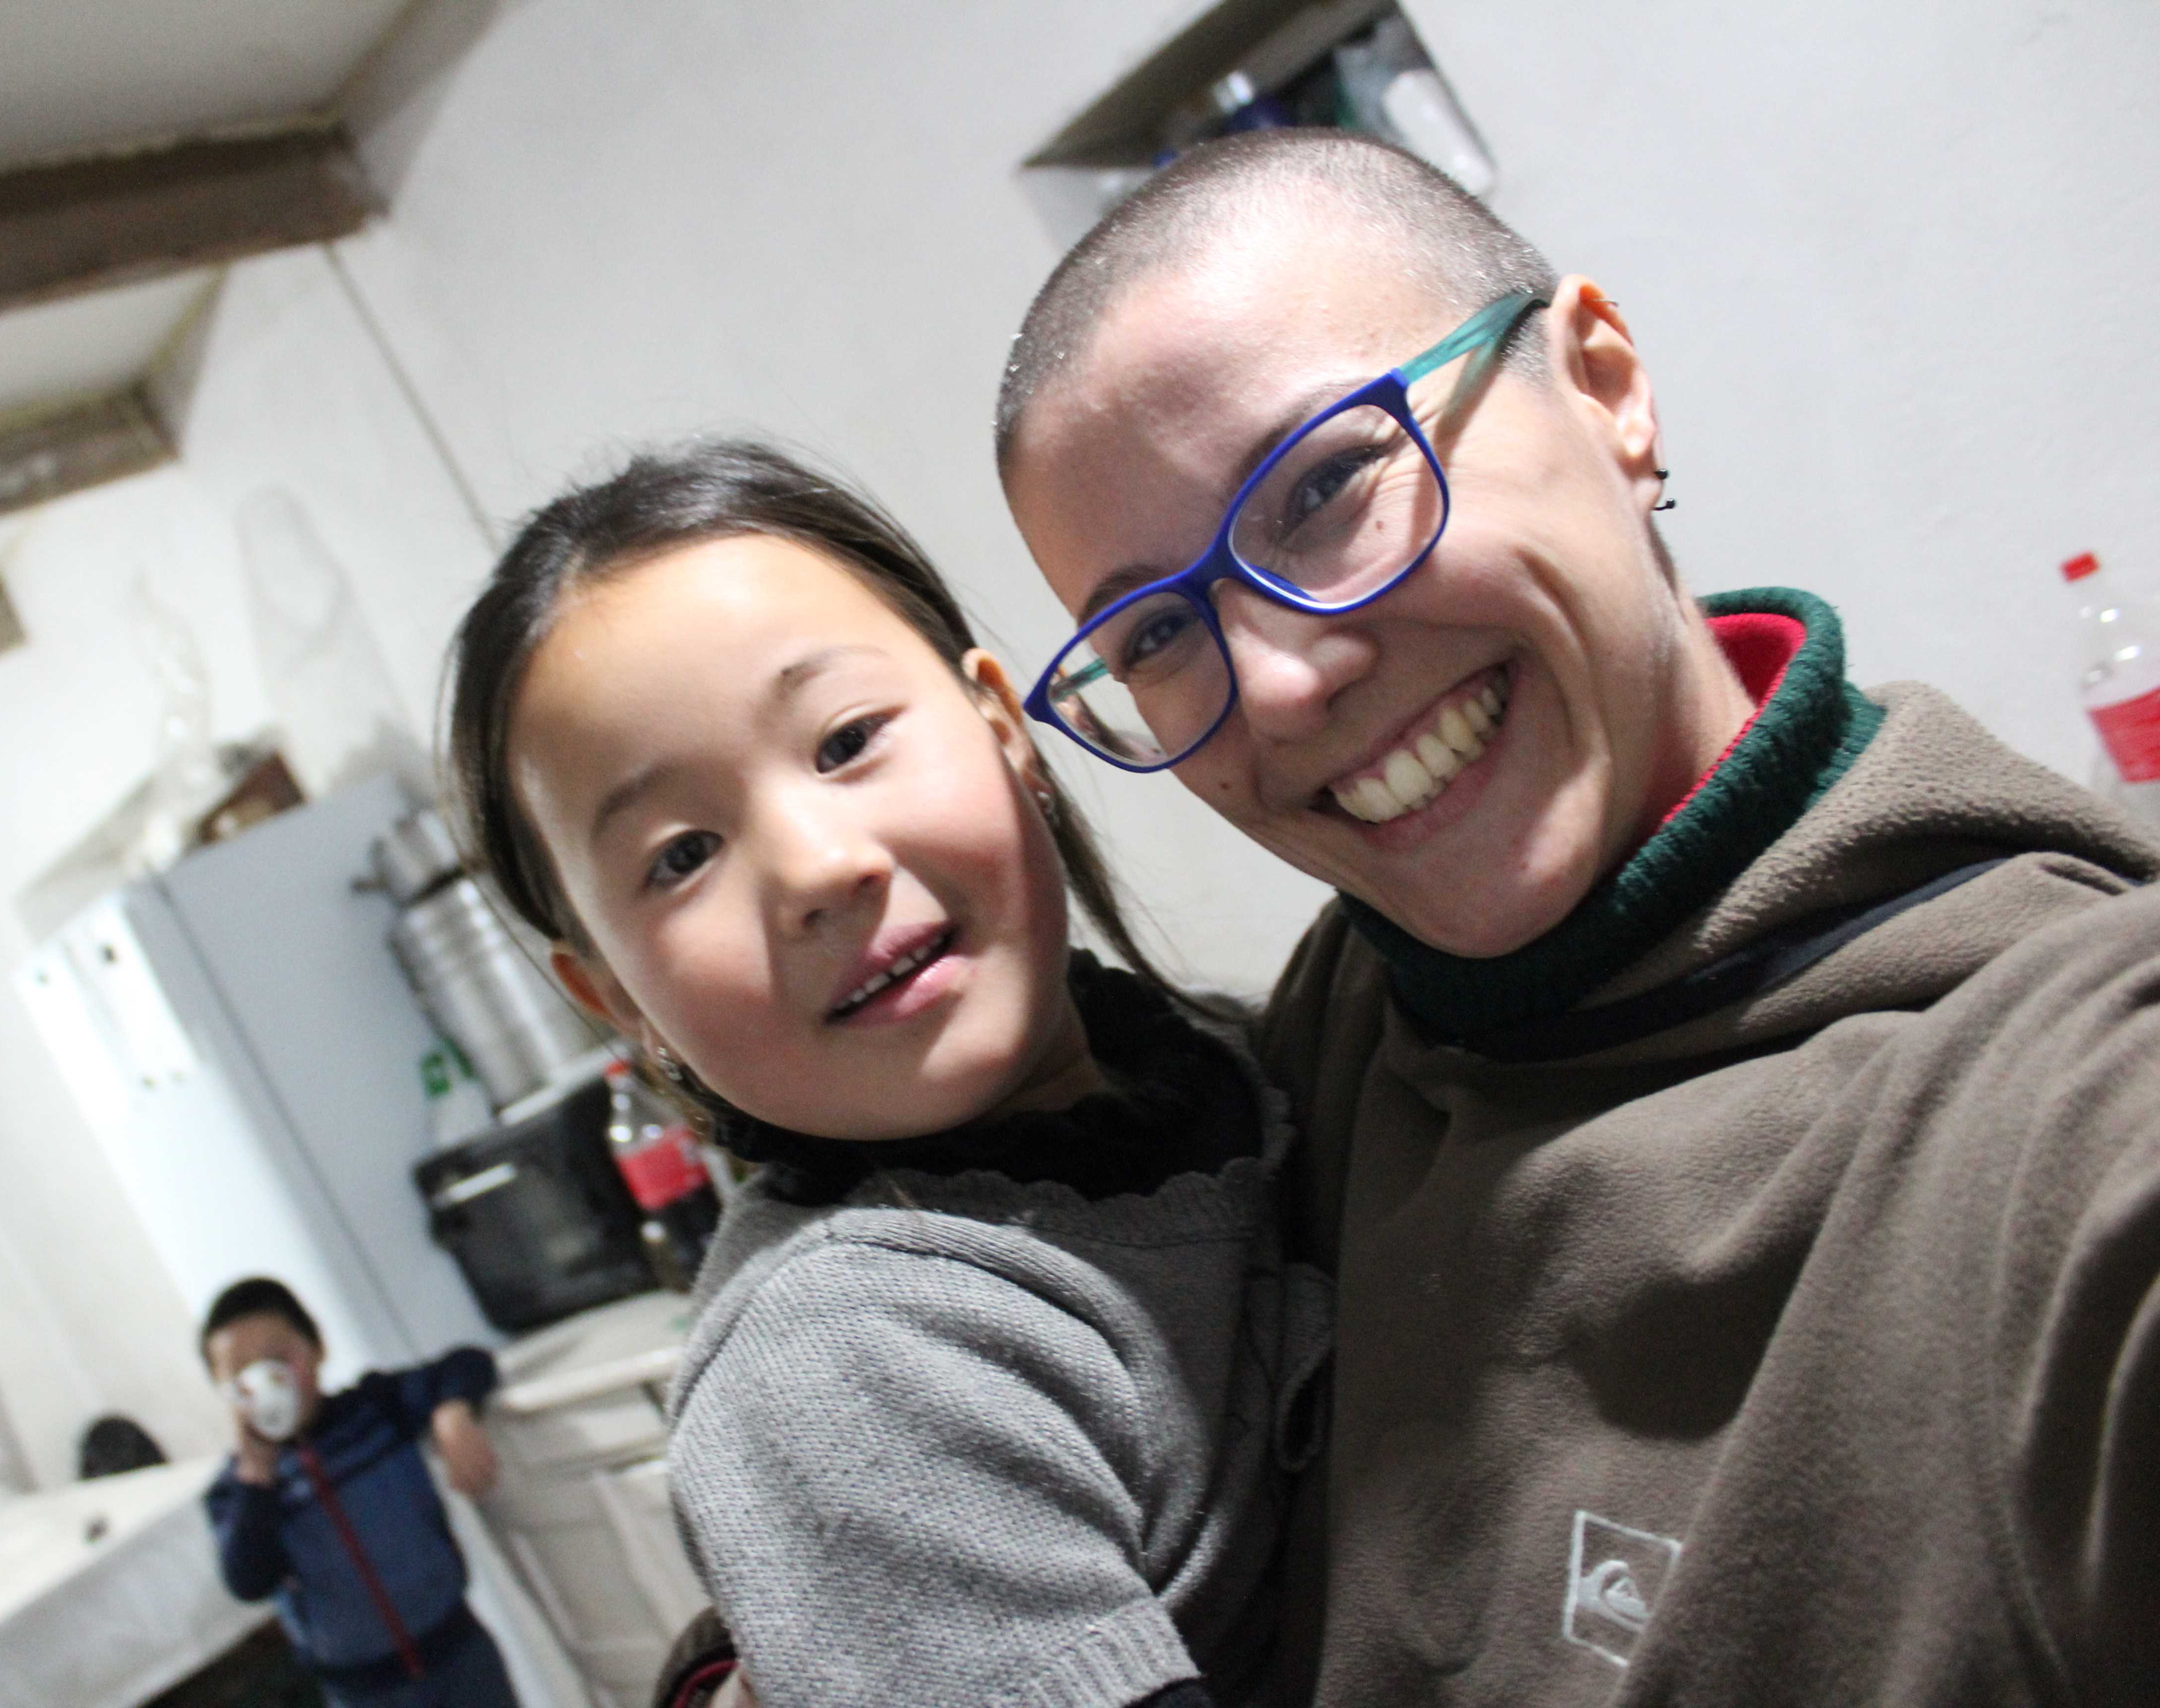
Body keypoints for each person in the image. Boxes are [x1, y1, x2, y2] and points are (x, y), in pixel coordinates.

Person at [991, 127, 2160, 1703]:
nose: (1279, 683)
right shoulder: (1337, 1046)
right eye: (1153, 637)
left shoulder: (2066, 1112)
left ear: (1606, 385)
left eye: (1326, 486)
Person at [444, 441, 1333, 1708]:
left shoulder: (1247, 1060)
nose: (818, 867)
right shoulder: (845, 1366)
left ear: (1002, 726)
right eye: (683, 854)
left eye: (847, 738)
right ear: (616, 1000)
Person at [200, 1277, 519, 1708]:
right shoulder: (237, 1493)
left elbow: (469, 1363)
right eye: (242, 1378)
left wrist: (452, 1414)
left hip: (460, 1655)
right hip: (362, 1692)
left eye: (278, 1360)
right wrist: (257, 1474)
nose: (265, 1383)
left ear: (316, 1348)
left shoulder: (374, 1411)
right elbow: (249, 1580)